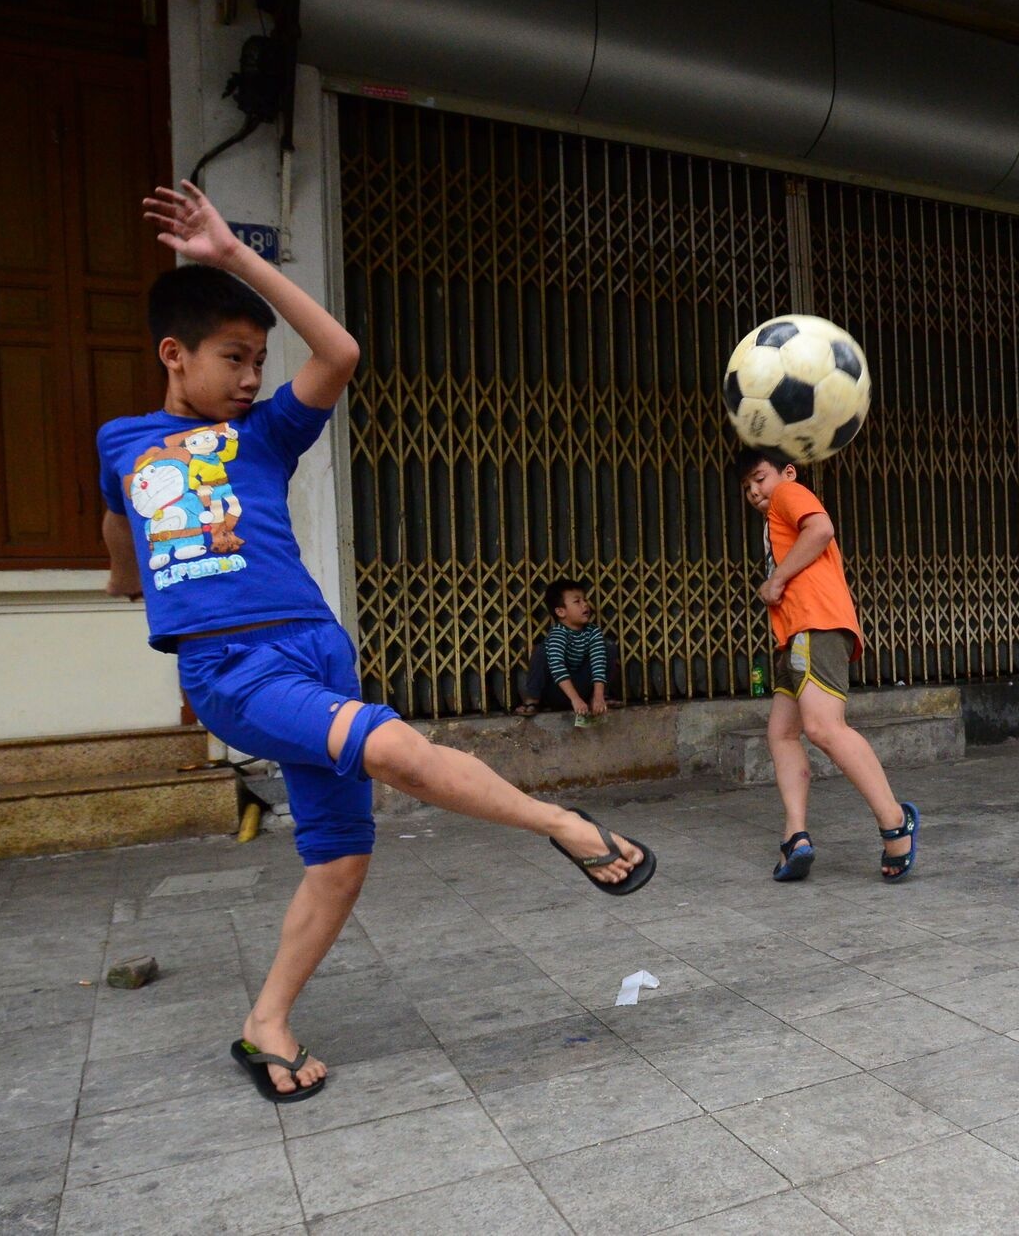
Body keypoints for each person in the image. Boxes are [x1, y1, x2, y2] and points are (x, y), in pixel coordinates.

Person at [102, 184, 653, 1103]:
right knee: (394, 745)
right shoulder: (125, 441)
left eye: (257, 360)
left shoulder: (264, 435)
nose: (250, 377)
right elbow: (121, 532)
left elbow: (341, 351)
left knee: (341, 858)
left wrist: (234, 255)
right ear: (174, 355)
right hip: (232, 665)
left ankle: (263, 1025)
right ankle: (568, 828)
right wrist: (127, 582)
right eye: (232, 359)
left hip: (317, 646)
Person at [737, 448, 918, 882]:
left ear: (787, 472)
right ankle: (796, 835)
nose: (755, 491)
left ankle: (897, 824)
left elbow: (821, 528)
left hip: (816, 625)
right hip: (796, 636)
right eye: (746, 488)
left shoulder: (789, 493)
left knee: (823, 728)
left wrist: (777, 579)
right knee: (781, 733)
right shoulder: (774, 517)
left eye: (759, 478)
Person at [516, 578, 621, 718]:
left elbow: (598, 663)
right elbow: (557, 667)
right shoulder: (557, 634)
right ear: (560, 612)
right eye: (577, 601)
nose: (585, 605)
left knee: (608, 646)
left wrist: (598, 695)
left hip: (584, 689)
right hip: (558, 692)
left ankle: (601, 698)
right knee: (542, 649)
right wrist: (575, 699)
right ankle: (533, 701)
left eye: (584, 600)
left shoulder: (593, 632)